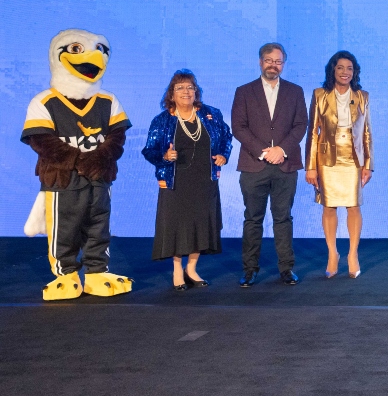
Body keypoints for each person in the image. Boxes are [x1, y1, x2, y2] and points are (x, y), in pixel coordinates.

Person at [21, 29, 133, 300]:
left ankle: (97, 272)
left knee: (98, 223)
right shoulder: (44, 101)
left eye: (101, 50)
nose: (95, 57)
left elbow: (117, 137)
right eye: (76, 49)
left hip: (99, 175)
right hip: (63, 179)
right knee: (65, 226)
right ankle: (65, 274)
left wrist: (97, 159)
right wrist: (78, 160)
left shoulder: (107, 100)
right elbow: (41, 140)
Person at [141, 70, 233, 291]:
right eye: (180, 88)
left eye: (190, 87)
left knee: (201, 225)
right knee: (177, 226)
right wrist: (164, 157)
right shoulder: (163, 120)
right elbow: (149, 150)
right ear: (171, 94)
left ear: (196, 91)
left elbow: (226, 138)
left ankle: (191, 268)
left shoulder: (211, 114)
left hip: (205, 180)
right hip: (175, 182)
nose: (186, 91)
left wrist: (223, 155)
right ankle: (176, 270)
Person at [231, 42, 308, 287]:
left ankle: (286, 269)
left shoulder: (295, 91)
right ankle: (250, 269)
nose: (273, 65)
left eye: (278, 61)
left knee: (283, 219)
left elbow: (300, 125)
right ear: (260, 61)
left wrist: (281, 150)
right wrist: (264, 152)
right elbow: (238, 127)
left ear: (283, 64)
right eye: (268, 60)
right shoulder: (244, 91)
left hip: (285, 165)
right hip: (254, 165)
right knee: (253, 219)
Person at [304, 51, 374, 278]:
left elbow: (366, 132)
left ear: (355, 72)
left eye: (350, 68)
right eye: (341, 67)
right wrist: (310, 166)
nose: (345, 72)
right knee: (329, 206)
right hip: (327, 158)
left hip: (354, 158)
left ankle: (353, 254)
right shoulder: (320, 94)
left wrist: (368, 164)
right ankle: (332, 253)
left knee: (353, 206)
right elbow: (313, 132)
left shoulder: (363, 96)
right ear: (333, 70)